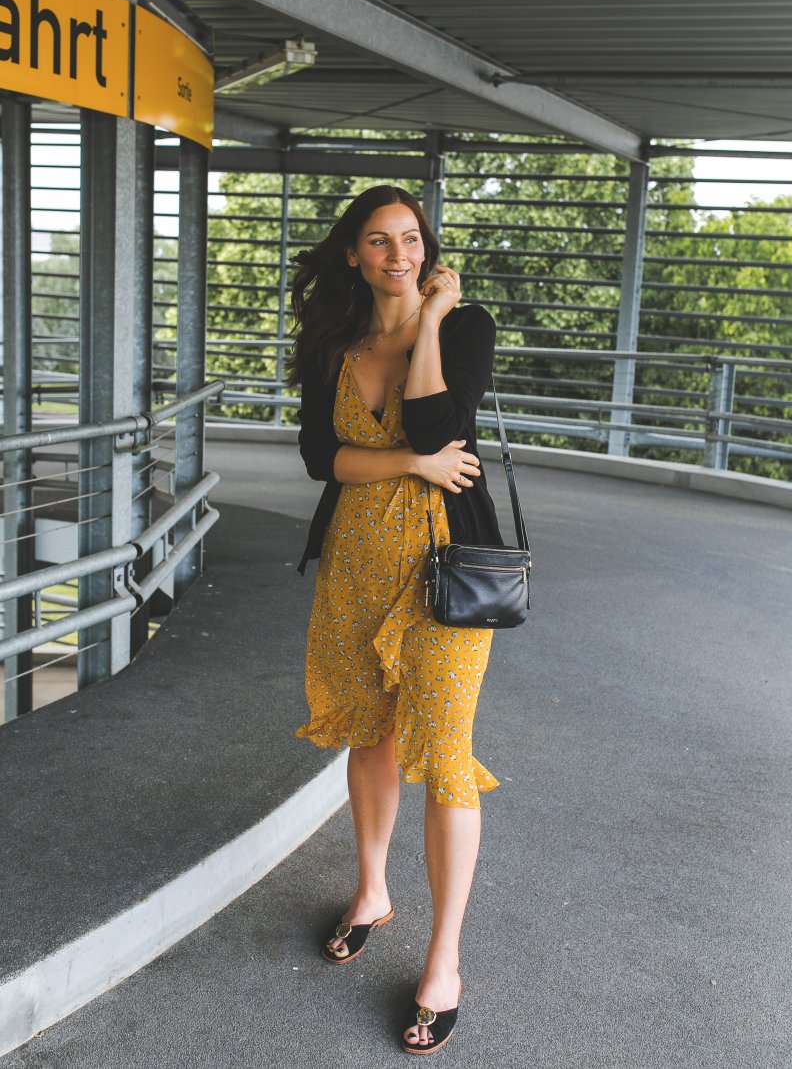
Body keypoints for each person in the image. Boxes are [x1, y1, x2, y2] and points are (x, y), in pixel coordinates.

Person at [289, 184, 503, 1055]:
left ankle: (443, 959)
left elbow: (439, 419)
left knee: (445, 757)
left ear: (428, 245)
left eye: (410, 239)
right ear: (353, 254)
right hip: (353, 571)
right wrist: (411, 462)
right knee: (370, 737)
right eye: (377, 242)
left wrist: (437, 309)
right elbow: (318, 458)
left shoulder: (465, 326)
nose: (397, 255)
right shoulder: (334, 343)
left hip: (445, 579)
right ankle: (372, 889)